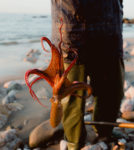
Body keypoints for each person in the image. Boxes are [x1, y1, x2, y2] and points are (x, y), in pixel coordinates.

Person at [51, 0, 124, 149]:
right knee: (71, 98)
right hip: (70, 32)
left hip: (110, 30)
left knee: (112, 91)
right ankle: (73, 142)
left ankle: (104, 131)